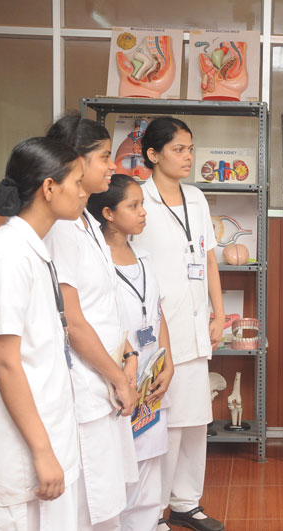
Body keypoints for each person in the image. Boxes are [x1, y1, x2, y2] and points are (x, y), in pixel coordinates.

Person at [0, 137, 84, 529]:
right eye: (78, 182)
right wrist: (43, 451)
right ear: (49, 188)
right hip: (16, 453)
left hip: (44, 434)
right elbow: (6, 362)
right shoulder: (8, 255)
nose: (84, 192)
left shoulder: (34, 249)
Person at [44, 114, 139, 530]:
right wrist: (118, 378)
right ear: (75, 163)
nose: (111, 165)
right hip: (86, 384)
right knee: (90, 506)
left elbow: (106, 304)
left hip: (107, 375)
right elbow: (73, 320)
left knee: (108, 502)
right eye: (104, 156)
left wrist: (129, 355)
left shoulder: (87, 222)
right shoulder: (62, 227)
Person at [131, 116, 225, 531]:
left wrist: (219, 313)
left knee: (195, 422)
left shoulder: (197, 198)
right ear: (153, 155)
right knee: (162, 426)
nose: (188, 157)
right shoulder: (137, 201)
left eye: (190, 148)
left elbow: (207, 258)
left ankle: (186, 503)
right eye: (178, 149)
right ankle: (151, 513)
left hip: (195, 322)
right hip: (157, 329)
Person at [88, 174, 175, 530]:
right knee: (121, 465)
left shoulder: (142, 254)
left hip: (152, 374)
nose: (143, 213)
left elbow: (156, 311)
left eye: (143, 205)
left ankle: (148, 522)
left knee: (151, 460)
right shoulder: (96, 260)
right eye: (133, 206)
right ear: (108, 212)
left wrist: (168, 362)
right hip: (118, 375)